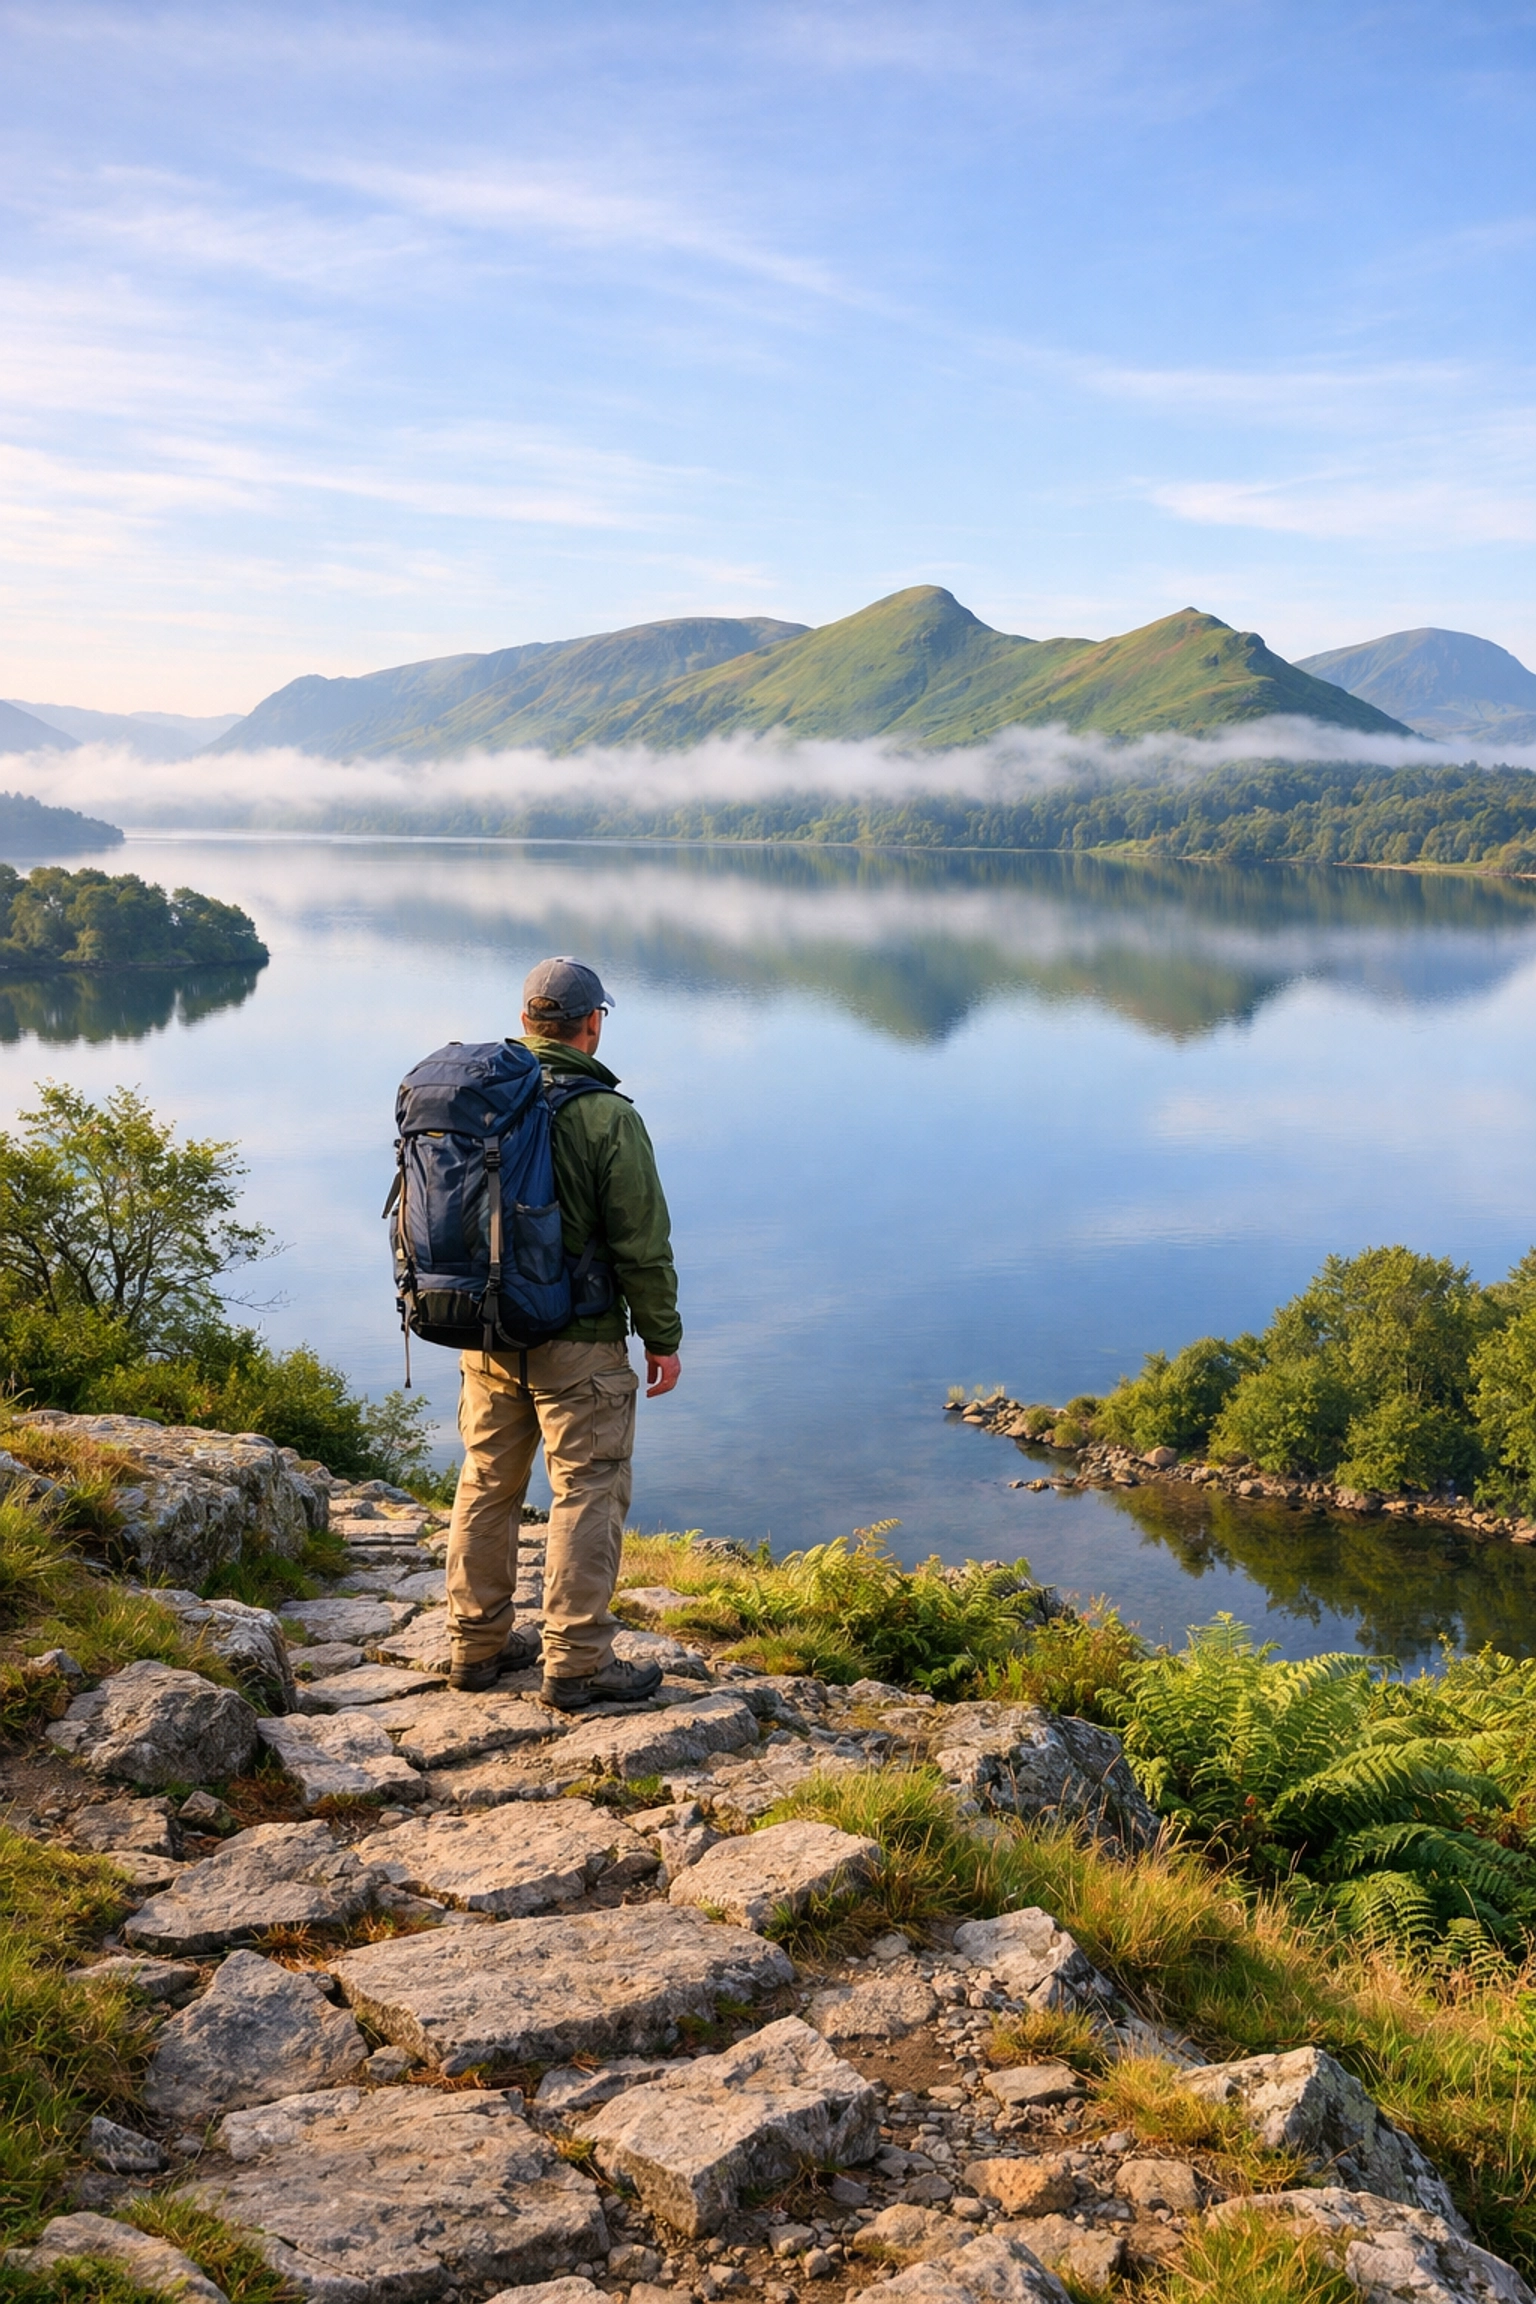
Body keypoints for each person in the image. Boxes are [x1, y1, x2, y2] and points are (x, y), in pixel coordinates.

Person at [444, 956, 683, 1711]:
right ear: (592, 1024)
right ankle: (576, 1661)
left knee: (486, 1482)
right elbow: (641, 1242)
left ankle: (474, 1647)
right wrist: (662, 1336)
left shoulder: (482, 1100)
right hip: (577, 1341)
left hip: (485, 1331)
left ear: (525, 1022)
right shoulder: (607, 1115)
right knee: (587, 1489)